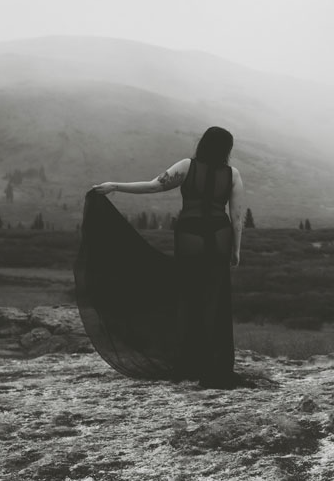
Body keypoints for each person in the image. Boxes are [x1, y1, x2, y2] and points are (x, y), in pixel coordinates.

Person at [84, 125, 245, 385]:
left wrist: (115, 186)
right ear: (227, 148)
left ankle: (189, 363)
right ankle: (215, 364)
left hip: (190, 234)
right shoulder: (233, 174)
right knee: (215, 301)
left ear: (202, 143)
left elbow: (152, 187)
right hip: (219, 236)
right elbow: (236, 217)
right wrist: (236, 249)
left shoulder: (186, 166)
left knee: (188, 295)